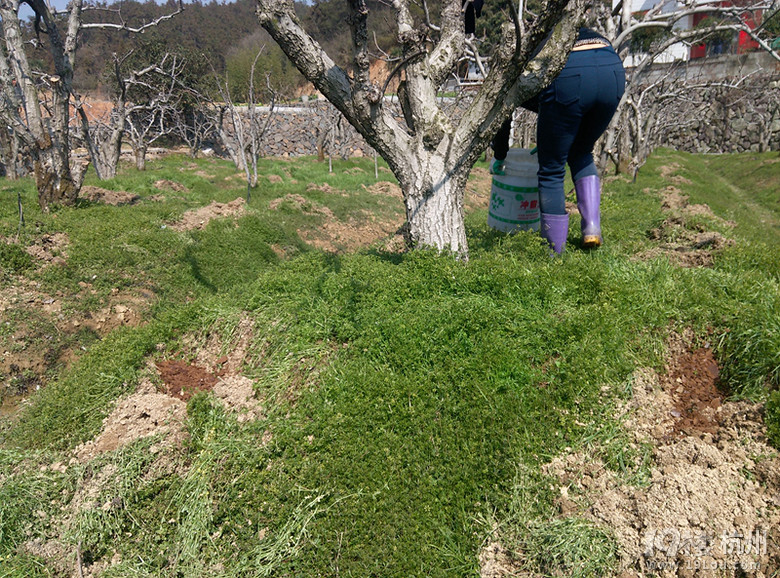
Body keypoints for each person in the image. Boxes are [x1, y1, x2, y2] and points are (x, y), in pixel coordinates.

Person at [491, 28, 626, 254]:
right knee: (581, 151)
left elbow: (503, 107)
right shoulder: (559, 30)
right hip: (611, 69)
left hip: (570, 71)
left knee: (551, 169)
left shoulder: (520, 56)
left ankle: (554, 251)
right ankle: (592, 228)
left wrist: (500, 154)